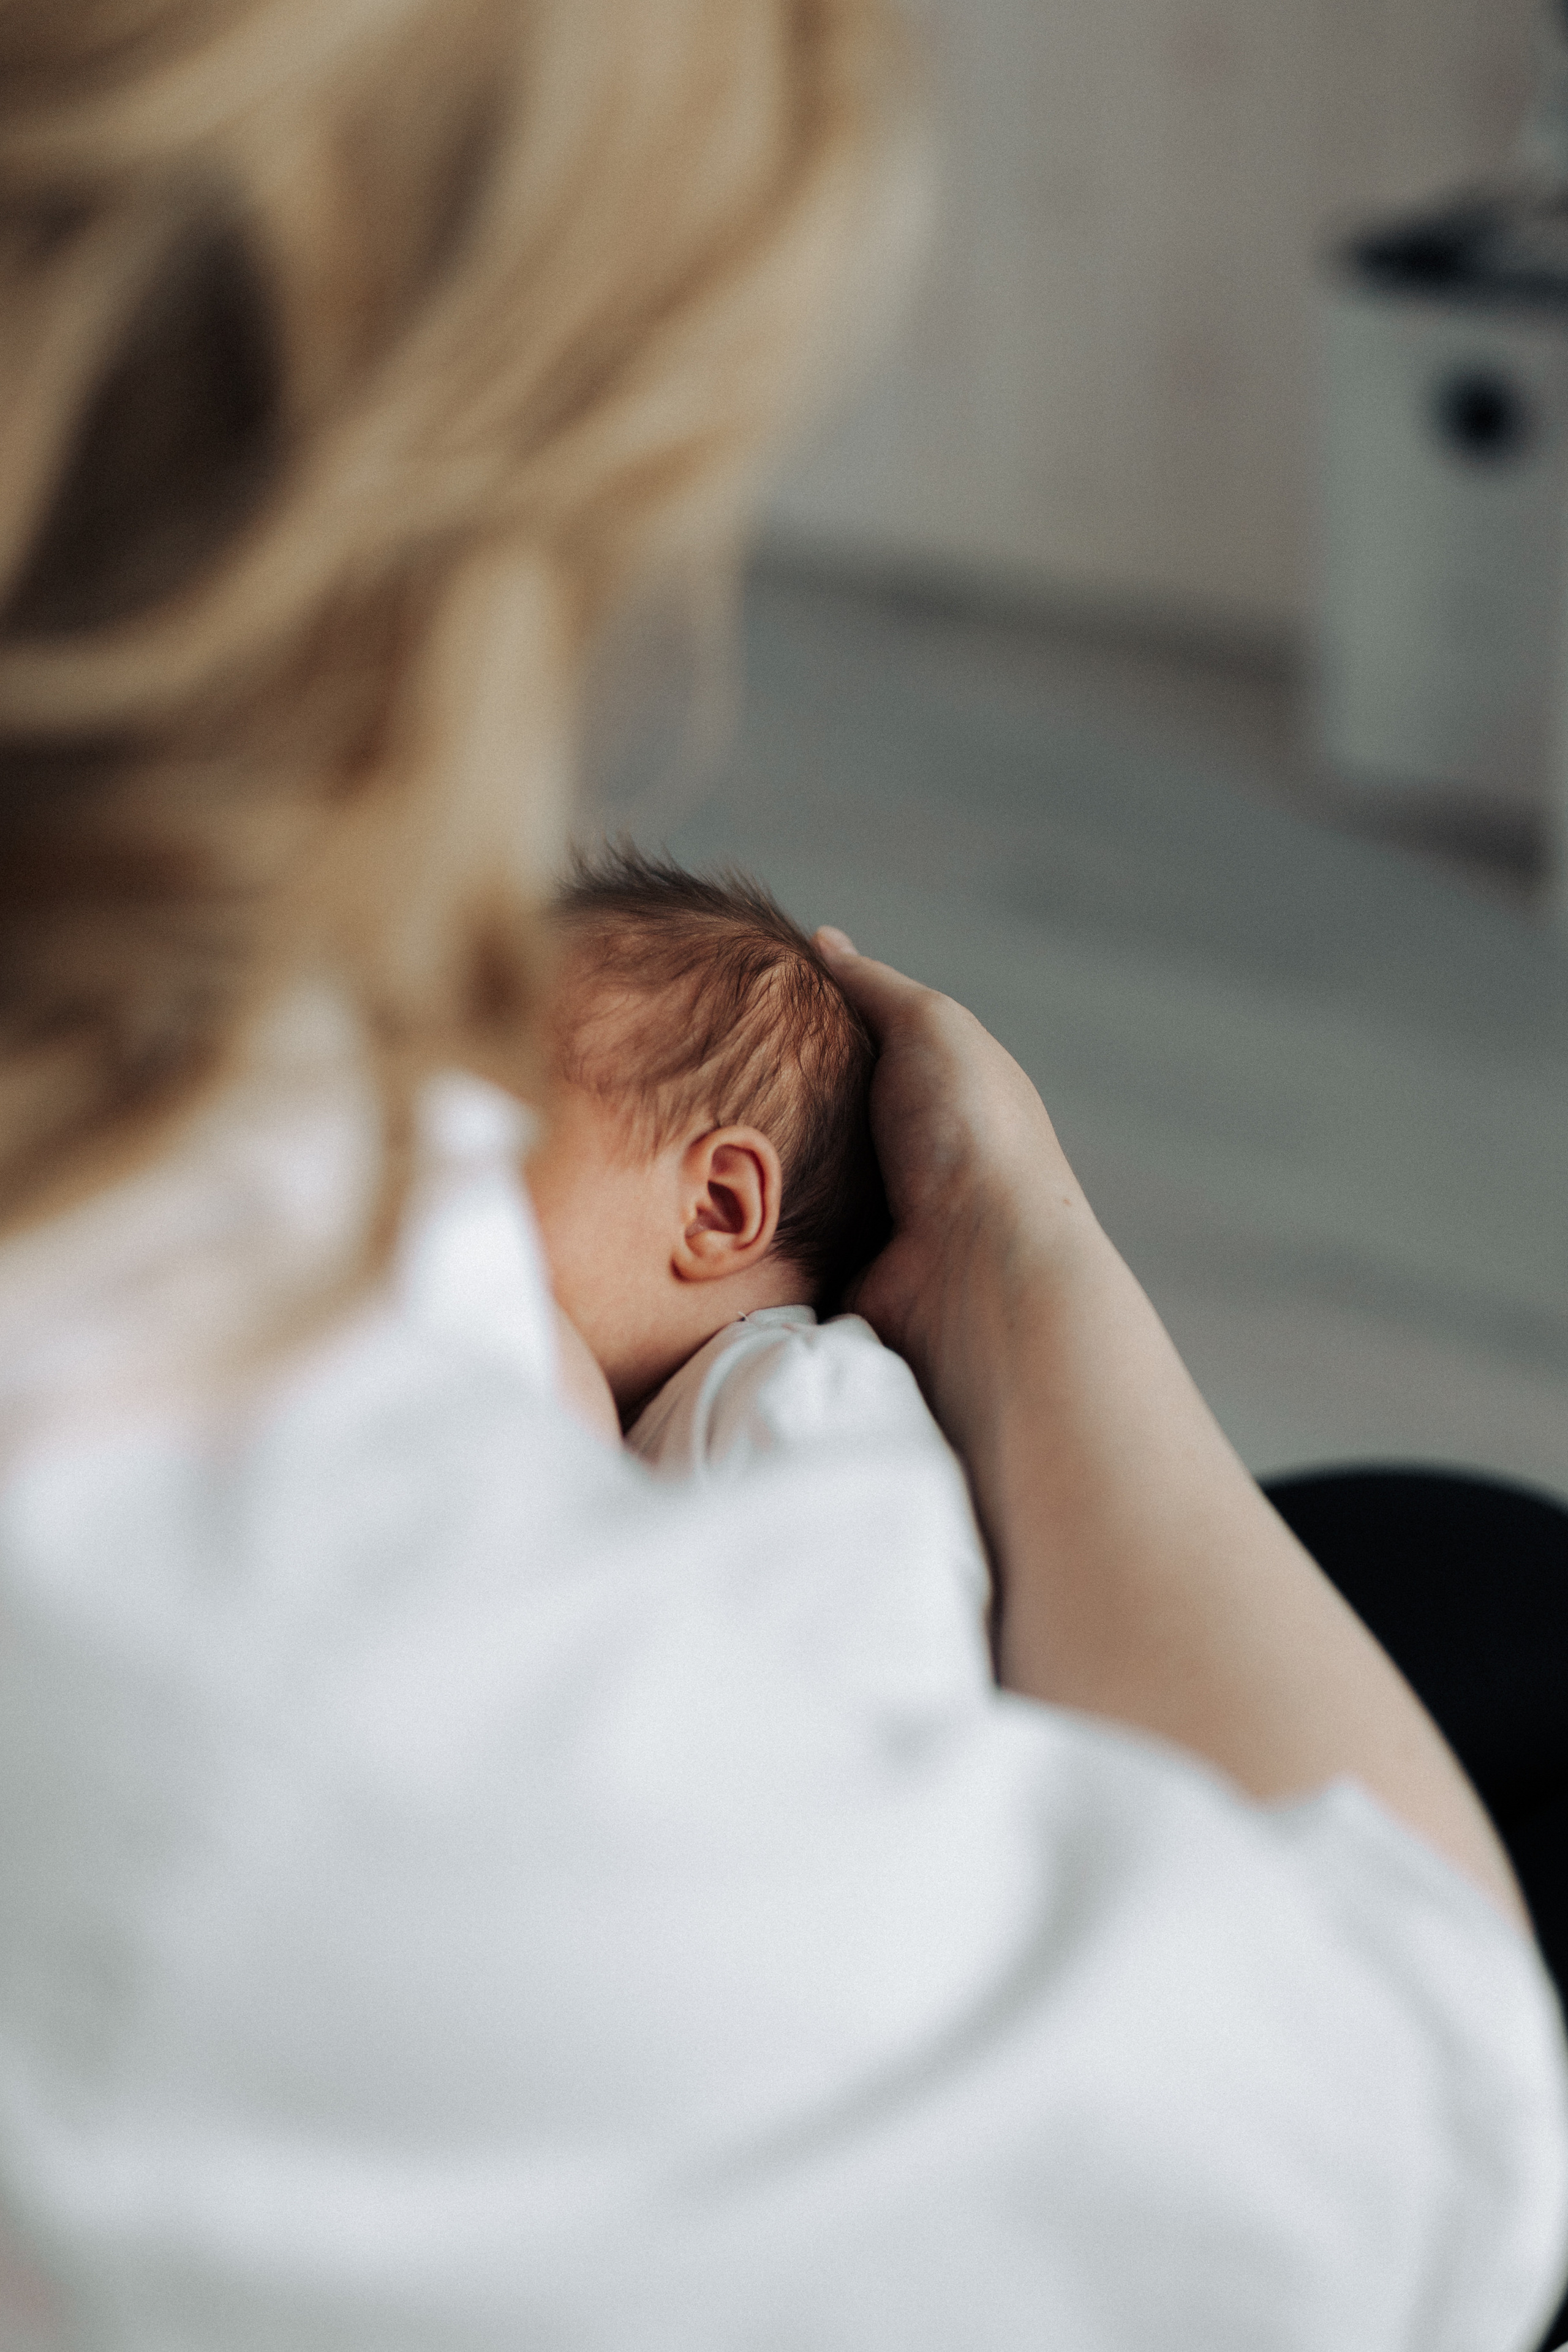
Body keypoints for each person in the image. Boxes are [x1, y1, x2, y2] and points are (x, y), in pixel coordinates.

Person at [0, 7, 1566, 2352]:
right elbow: (1420, 2155)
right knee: (1476, 1607)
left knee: (1464, 1570)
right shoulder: (286, 1631)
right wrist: (1031, 1265)